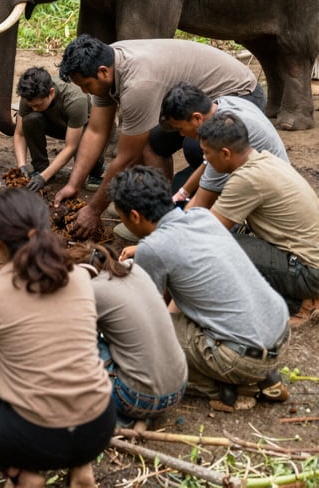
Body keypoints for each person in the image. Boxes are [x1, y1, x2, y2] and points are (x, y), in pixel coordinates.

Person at [0, 189, 115, 488]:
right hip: (99, 426)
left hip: (36, 439)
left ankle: (21, 472)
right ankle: (82, 470)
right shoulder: (80, 276)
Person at [111, 166, 290, 410]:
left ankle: (227, 387)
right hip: (277, 331)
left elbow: (146, 314)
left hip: (240, 357)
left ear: (133, 216)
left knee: (141, 340)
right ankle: (262, 376)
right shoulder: (201, 217)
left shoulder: (154, 248)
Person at [54, 35, 264, 238]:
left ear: (102, 72)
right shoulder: (108, 61)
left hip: (239, 96)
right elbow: (96, 131)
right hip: (193, 102)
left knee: (193, 148)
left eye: (86, 85)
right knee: (154, 142)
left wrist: (93, 210)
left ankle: (161, 220)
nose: (84, 90)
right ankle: (159, 210)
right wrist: (74, 184)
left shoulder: (138, 83)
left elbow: (128, 157)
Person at [198, 113, 319, 328]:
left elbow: (207, 232)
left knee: (215, 247)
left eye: (207, 154)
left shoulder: (246, 179)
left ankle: (296, 302)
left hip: (309, 272)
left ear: (225, 153)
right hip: (309, 260)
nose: (205, 160)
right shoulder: (265, 158)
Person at [67, 242, 187, 427]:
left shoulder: (92, 291)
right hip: (179, 386)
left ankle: (118, 415)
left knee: (71, 346)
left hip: (139, 398)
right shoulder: (134, 269)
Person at [160, 82, 288, 209]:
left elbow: (202, 202)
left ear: (197, 118)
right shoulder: (223, 103)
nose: (181, 134)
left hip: (276, 199)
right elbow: (207, 164)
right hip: (276, 176)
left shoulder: (226, 132)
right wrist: (182, 193)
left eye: (180, 128)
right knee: (181, 182)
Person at [13, 67, 105, 193]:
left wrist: (42, 179)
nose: (34, 108)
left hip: (83, 128)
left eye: (38, 105)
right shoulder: (29, 97)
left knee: (83, 156)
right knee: (30, 119)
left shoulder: (75, 99)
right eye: (31, 105)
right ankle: (41, 168)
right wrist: (21, 166)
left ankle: (95, 171)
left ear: (51, 93)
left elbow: (70, 146)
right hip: (56, 123)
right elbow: (19, 134)